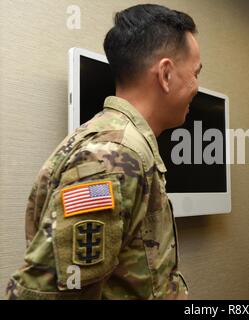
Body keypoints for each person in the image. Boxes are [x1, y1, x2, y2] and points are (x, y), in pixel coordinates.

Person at [5, 4, 202, 299]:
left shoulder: (126, 148)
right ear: (165, 74)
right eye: (196, 73)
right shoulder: (112, 158)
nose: (197, 86)